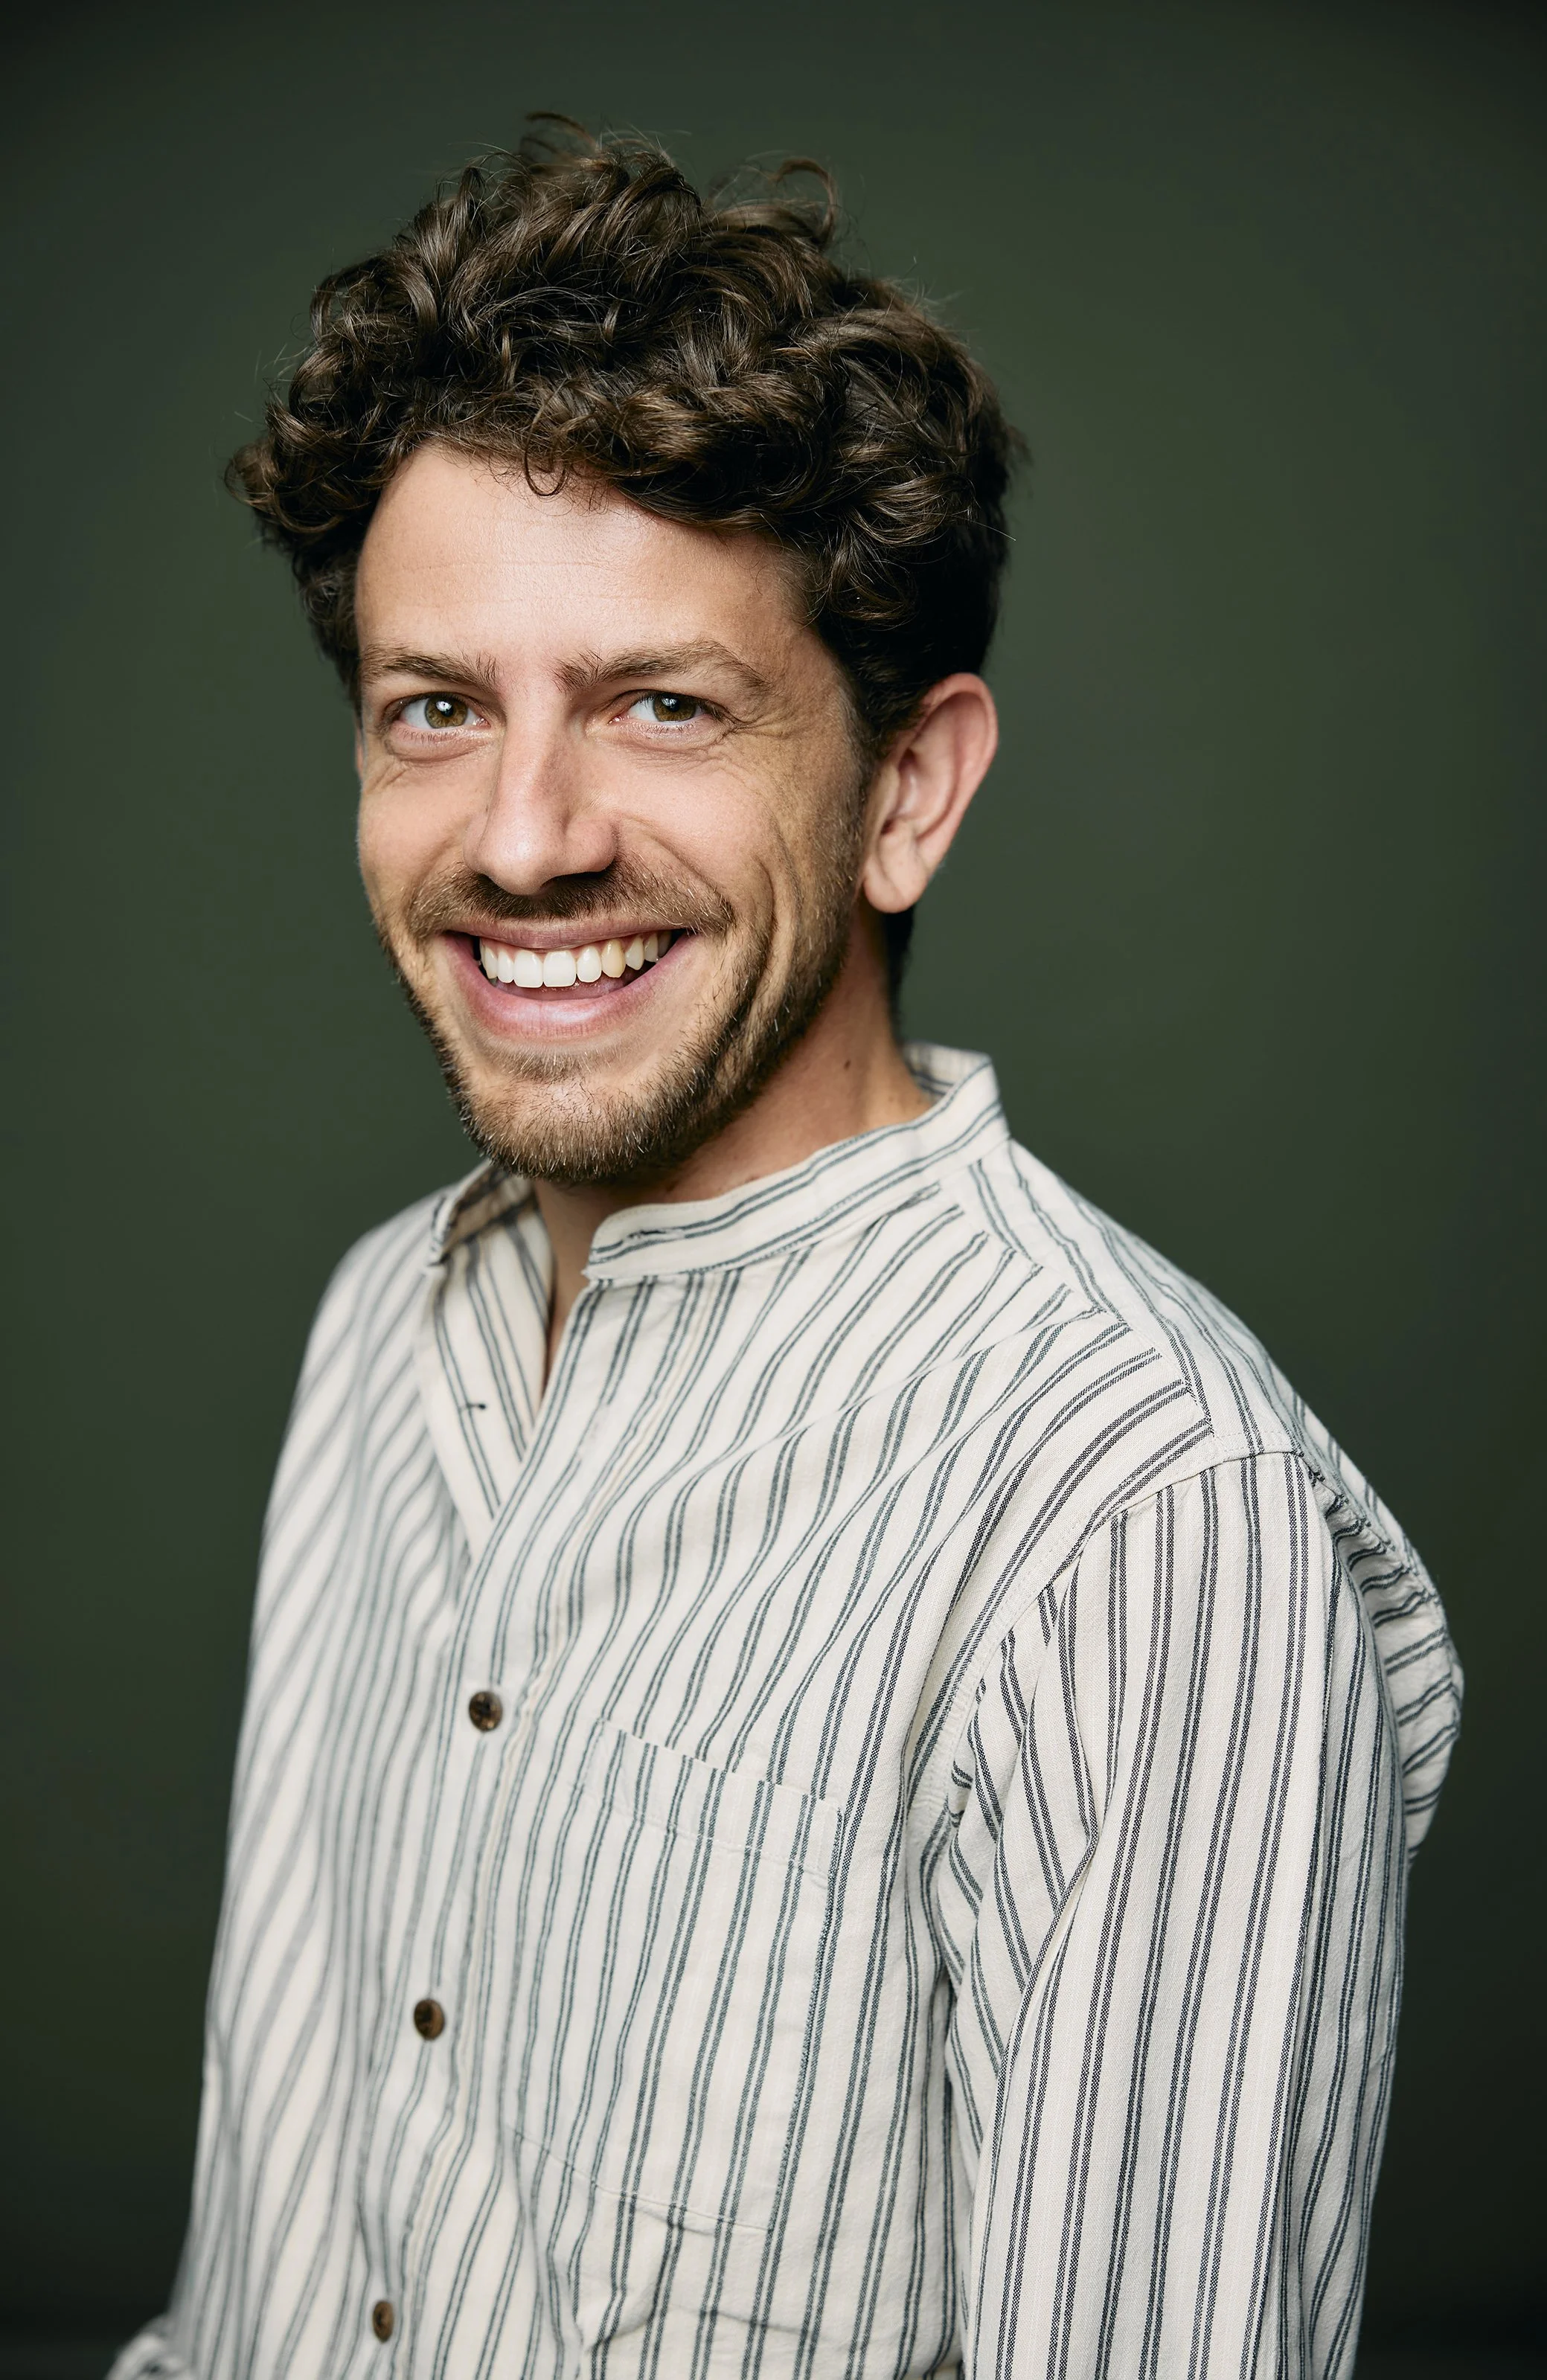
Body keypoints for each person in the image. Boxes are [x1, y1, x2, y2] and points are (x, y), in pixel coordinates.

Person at [112, 121, 1460, 2380]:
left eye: (662, 704)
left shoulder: (1141, 1527)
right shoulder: (379, 1326)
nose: (523, 838)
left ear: (908, 790)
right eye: (437, 708)